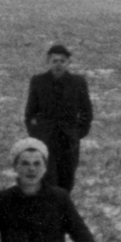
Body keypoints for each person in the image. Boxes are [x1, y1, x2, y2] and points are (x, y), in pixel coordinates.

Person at [23, 43, 94, 193]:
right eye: (54, 61)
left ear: (68, 63)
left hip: (68, 140)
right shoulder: (38, 81)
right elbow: (30, 112)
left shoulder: (78, 82)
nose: (58, 65)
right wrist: (36, 133)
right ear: (48, 62)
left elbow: (86, 111)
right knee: (48, 179)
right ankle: (49, 211)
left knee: (67, 179)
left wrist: (79, 132)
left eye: (62, 61)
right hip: (45, 138)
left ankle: (63, 209)